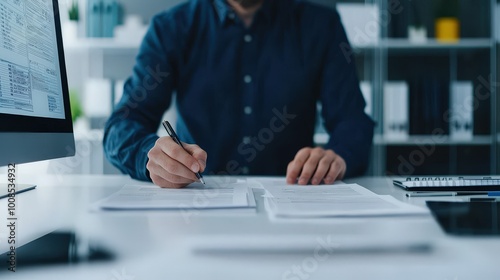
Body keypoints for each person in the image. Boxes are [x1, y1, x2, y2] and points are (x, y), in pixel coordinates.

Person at [103, 0, 374, 189]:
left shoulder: (321, 26)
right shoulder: (171, 28)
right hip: (196, 209)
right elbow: (122, 125)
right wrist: (148, 155)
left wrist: (338, 156)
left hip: (294, 202)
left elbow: (352, 122)